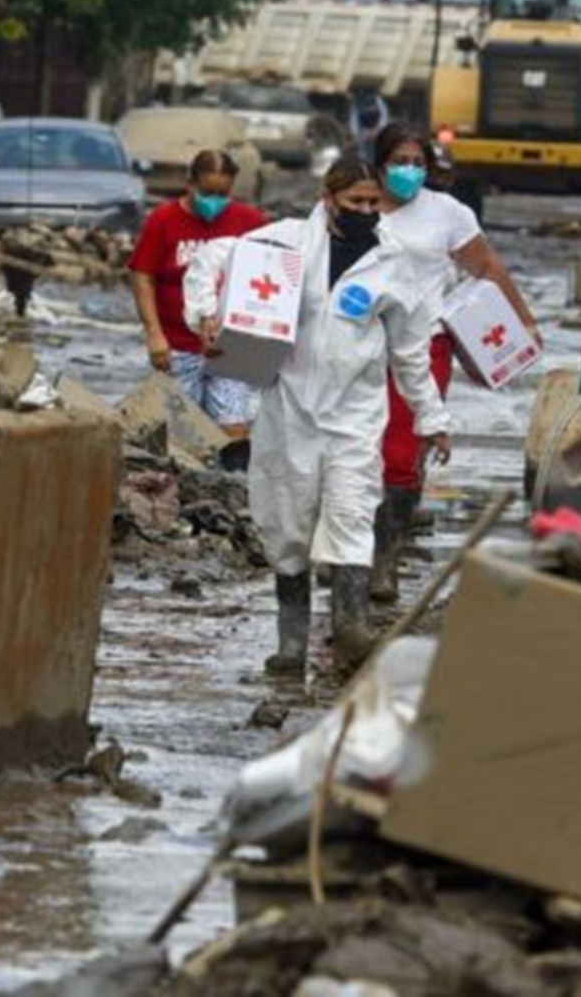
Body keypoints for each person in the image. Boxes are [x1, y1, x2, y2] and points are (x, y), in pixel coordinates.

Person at [184, 158, 449, 676]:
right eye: (355, 202)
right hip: (288, 411)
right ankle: (291, 645)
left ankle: (351, 628)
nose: (367, 211)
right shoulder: (286, 243)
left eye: (373, 202)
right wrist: (205, 313)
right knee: (288, 527)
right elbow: (210, 257)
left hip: (354, 415)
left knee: (352, 514)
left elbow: (411, 351)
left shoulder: (395, 261)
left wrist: (431, 418)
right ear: (329, 199)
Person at [369, 121, 540, 601]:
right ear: (379, 166)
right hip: (356, 346)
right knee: (353, 451)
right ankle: (348, 552)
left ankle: (385, 558)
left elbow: (486, 267)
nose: (409, 171)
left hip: (425, 345)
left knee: (402, 454)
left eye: (417, 163)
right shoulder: (358, 204)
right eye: (399, 162)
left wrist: (524, 322)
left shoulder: (447, 213)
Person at [128, 149, 269, 437]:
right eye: (207, 192)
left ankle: (230, 468)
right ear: (190, 183)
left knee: (235, 427)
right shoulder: (163, 220)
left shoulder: (250, 222)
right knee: (182, 433)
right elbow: (143, 277)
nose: (214, 201)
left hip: (231, 349)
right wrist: (154, 334)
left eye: (222, 194)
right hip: (177, 346)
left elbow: (270, 275)